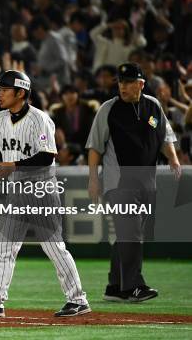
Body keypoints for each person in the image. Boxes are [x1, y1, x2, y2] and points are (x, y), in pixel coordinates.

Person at [0, 70, 90, 318]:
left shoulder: (40, 119)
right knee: (5, 248)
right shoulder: (1, 118)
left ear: (21, 93)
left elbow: (47, 156)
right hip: (17, 191)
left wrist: (13, 165)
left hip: (41, 190)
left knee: (54, 248)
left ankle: (78, 299)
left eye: (4, 89)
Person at [86, 62, 181, 303]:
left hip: (147, 181)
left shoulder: (153, 106)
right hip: (119, 182)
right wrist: (93, 179)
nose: (123, 86)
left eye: (128, 82)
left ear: (140, 84)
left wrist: (174, 158)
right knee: (132, 233)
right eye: (120, 82)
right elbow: (95, 147)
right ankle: (133, 287)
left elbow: (165, 136)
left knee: (127, 235)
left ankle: (114, 286)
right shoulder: (109, 109)